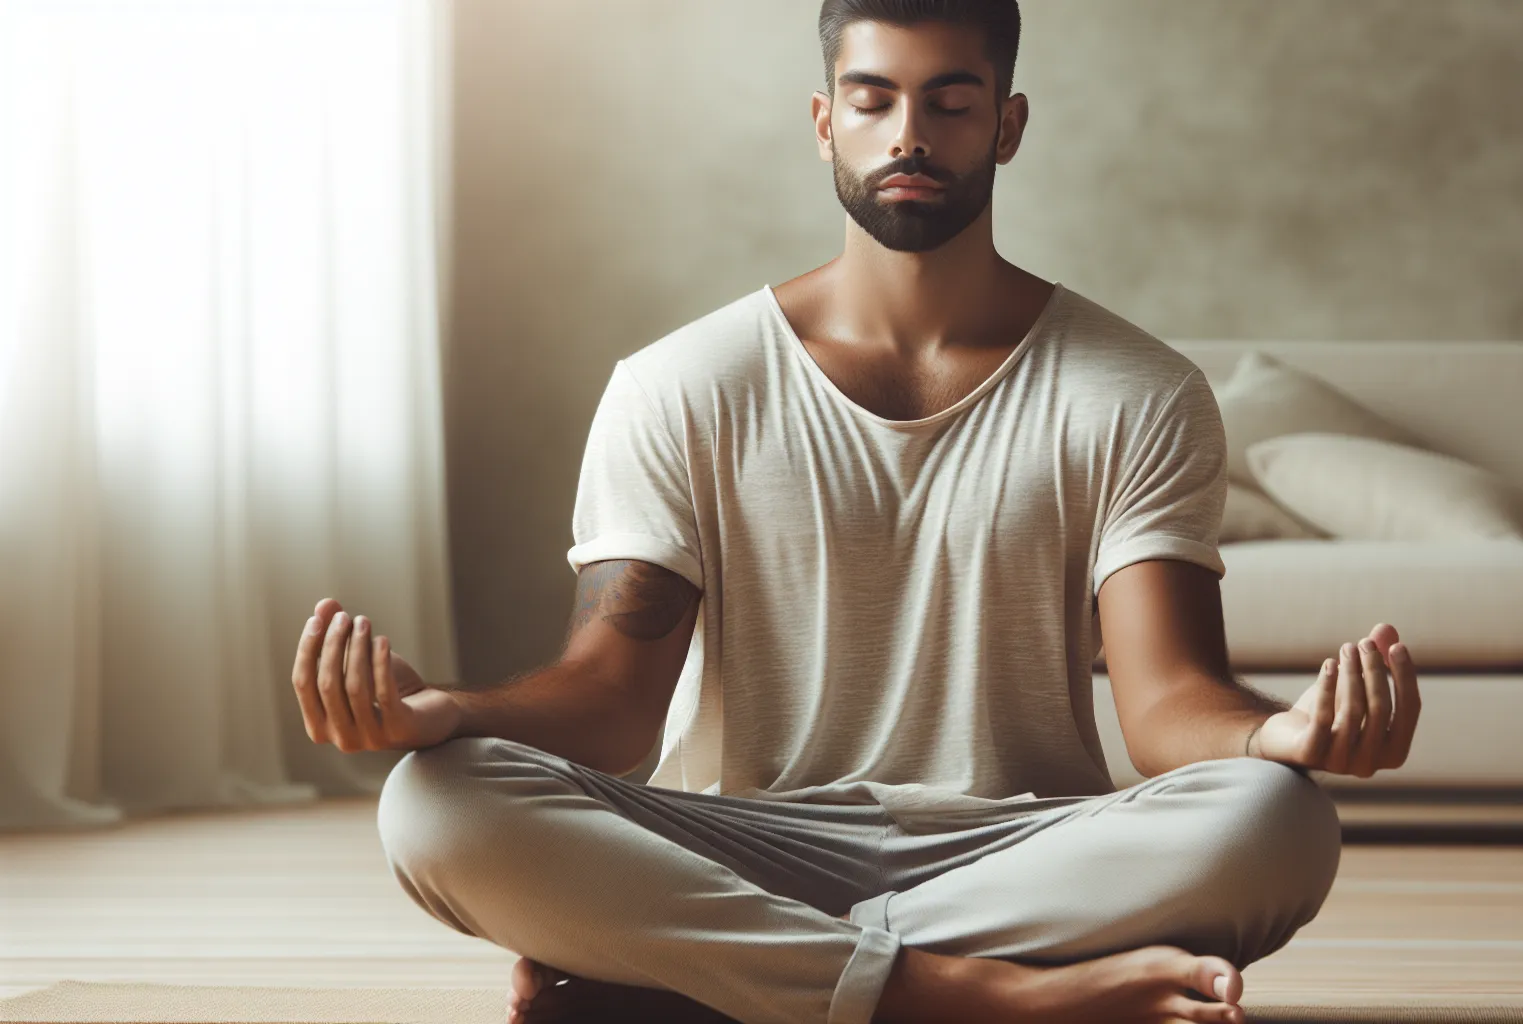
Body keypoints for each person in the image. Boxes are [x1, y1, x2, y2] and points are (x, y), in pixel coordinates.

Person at [290, 2, 1422, 1021]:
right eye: (874, 99)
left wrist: (1274, 737)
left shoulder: (1137, 390)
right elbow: (610, 695)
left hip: (1019, 846)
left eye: (949, 100)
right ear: (825, 122)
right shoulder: (679, 384)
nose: (909, 135)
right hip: (747, 842)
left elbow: (1166, 705)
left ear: (1009, 126)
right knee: (435, 800)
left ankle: (693, 988)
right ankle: (975, 999)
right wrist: (445, 710)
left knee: (1276, 822)